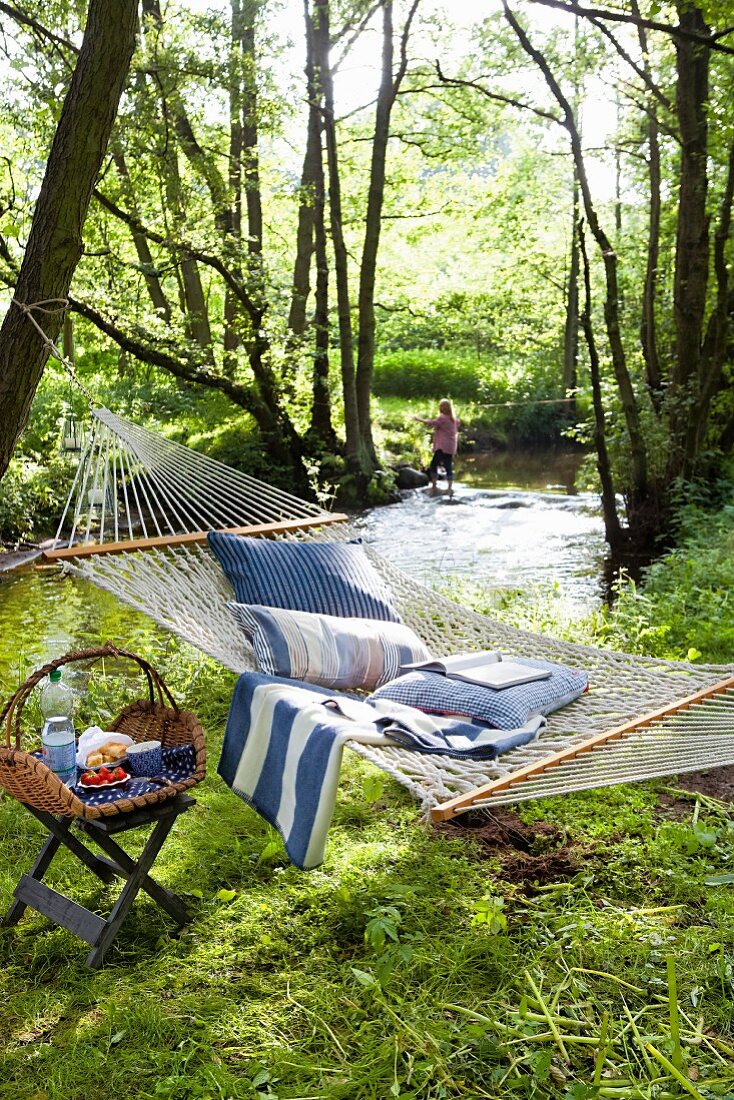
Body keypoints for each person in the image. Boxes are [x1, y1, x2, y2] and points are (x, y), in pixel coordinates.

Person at [413, 399, 460, 493]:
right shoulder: (455, 420)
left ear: (443, 408)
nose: (440, 408)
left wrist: (418, 419)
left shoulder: (442, 418)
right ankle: (449, 488)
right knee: (448, 466)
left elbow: (431, 423)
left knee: (434, 464)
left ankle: (434, 486)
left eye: (441, 406)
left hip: (442, 446)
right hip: (451, 446)